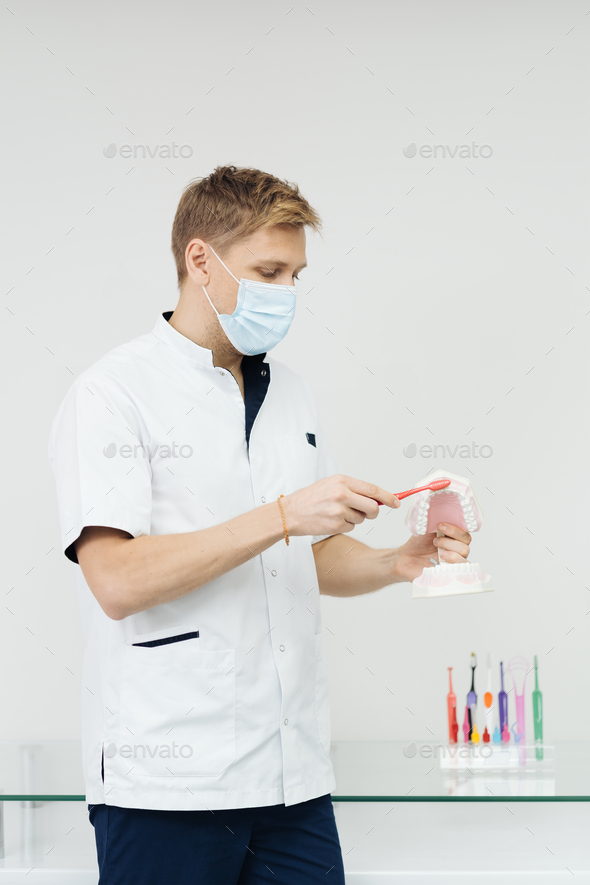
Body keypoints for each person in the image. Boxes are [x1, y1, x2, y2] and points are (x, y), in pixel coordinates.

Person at [48, 165, 471, 884]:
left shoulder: (291, 395)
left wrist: (395, 561)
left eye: (296, 275)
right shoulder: (113, 394)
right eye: (267, 270)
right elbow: (115, 580)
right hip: (166, 784)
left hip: (293, 779)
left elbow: (307, 556)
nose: (285, 294)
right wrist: (280, 516)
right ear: (200, 260)